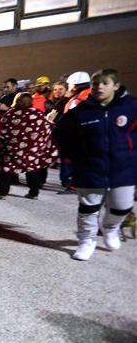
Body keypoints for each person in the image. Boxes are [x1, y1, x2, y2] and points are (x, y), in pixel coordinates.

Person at [53, 68, 136, 261]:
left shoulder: (131, 107)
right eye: (95, 84)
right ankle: (87, 240)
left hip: (124, 169)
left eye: (105, 83)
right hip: (90, 169)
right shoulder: (80, 111)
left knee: (122, 206)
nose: (99, 87)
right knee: (88, 208)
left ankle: (110, 227)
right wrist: (73, 158)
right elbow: (61, 135)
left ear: (115, 85)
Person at [0, 93, 56, 200]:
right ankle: (33, 193)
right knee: (32, 169)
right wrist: (50, 121)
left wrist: (2, 147)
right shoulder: (37, 114)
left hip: (11, 150)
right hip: (31, 150)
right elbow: (45, 130)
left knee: (7, 170)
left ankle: (3, 192)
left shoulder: (8, 115)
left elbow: (2, 133)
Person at [56, 71, 93, 193]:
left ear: (76, 85)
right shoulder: (92, 95)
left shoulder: (79, 99)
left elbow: (71, 119)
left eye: (70, 85)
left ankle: (75, 185)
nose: (69, 87)